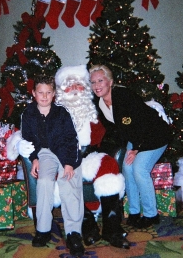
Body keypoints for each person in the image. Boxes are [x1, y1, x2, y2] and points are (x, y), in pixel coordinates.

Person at [54, 65, 129, 249]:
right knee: (66, 178)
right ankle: (87, 225)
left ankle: (112, 227)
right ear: (61, 90)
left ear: (85, 88)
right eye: (68, 85)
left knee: (109, 165)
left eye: (78, 85)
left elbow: (113, 131)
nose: (73, 90)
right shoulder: (54, 112)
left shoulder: (94, 108)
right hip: (64, 159)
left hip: (89, 155)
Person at [89, 64, 172, 229]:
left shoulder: (124, 95)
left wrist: (137, 149)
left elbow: (143, 123)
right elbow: (116, 130)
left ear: (110, 82)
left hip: (154, 135)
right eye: (93, 82)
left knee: (139, 169)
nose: (96, 85)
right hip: (135, 138)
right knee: (127, 168)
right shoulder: (99, 103)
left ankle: (151, 215)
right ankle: (134, 212)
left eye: (100, 80)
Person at [18, 74, 85, 256]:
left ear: (54, 93)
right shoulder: (28, 113)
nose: (45, 96)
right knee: (45, 181)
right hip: (45, 153)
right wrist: (34, 158)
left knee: (68, 181)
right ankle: (43, 230)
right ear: (34, 93)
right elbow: (28, 139)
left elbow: (71, 138)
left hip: (65, 152)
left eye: (49, 92)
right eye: (41, 92)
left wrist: (69, 163)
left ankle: (73, 233)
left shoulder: (61, 112)